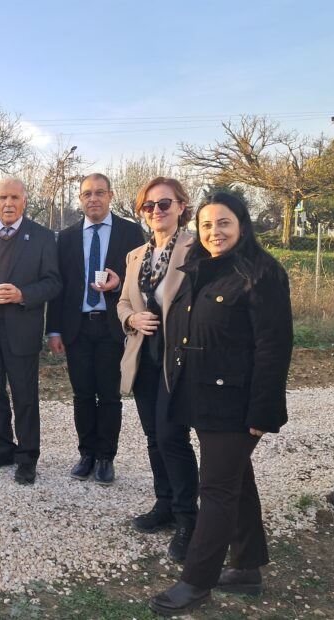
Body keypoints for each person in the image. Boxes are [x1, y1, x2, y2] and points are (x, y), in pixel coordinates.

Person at [148, 192, 293, 616]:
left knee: (215, 490)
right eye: (207, 225)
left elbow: (274, 347)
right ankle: (246, 569)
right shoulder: (200, 266)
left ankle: (197, 581)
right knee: (236, 480)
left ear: (242, 225)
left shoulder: (262, 273)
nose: (215, 232)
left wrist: (262, 411)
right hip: (202, 397)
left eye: (224, 223)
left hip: (238, 405)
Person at [116, 177, 198, 562]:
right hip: (144, 357)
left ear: (181, 206)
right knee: (153, 436)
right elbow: (122, 302)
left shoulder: (197, 249)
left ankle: (188, 519)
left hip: (178, 359)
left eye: (164, 204)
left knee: (172, 436)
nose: (156, 211)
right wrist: (132, 319)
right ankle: (164, 504)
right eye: (148, 206)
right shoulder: (136, 256)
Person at [0, 177, 61, 485]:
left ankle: (27, 456)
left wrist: (22, 294)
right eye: (3, 197)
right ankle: (2, 447)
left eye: (14, 197)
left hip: (22, 328)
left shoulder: (43, 237)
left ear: (24, 201)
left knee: (24, 395)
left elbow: (53, 282)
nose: (8, 203)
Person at [46, 173, 143, 485]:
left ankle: (105, 457)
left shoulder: (130, 232)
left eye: (99, 193)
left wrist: (118, 285)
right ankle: (86, 453)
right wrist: (54, 330)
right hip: (77, 328)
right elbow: (59, 287)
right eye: (87, 193)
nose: (93, 199)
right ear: (80, 199)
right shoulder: (67, 237)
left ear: (111, 196)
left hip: (113, 327)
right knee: (83, 395)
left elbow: (141, 280)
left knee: (110, 396)